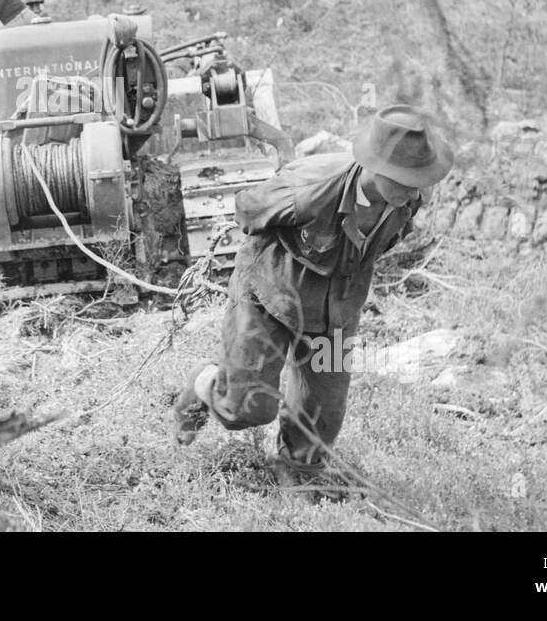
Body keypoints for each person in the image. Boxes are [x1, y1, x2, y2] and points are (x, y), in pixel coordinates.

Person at [172, 104, 455, 499]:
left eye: (419, 181)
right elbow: (248, 210)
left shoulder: (407, 200)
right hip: (269, 295)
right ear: (373, 166)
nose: (414, 190)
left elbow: (378, 245)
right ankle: (204, 385)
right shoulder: (309, 189)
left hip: (337, 306)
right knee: (248, 408)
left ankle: (298, 472)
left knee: (324, 406)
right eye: (405, 180)